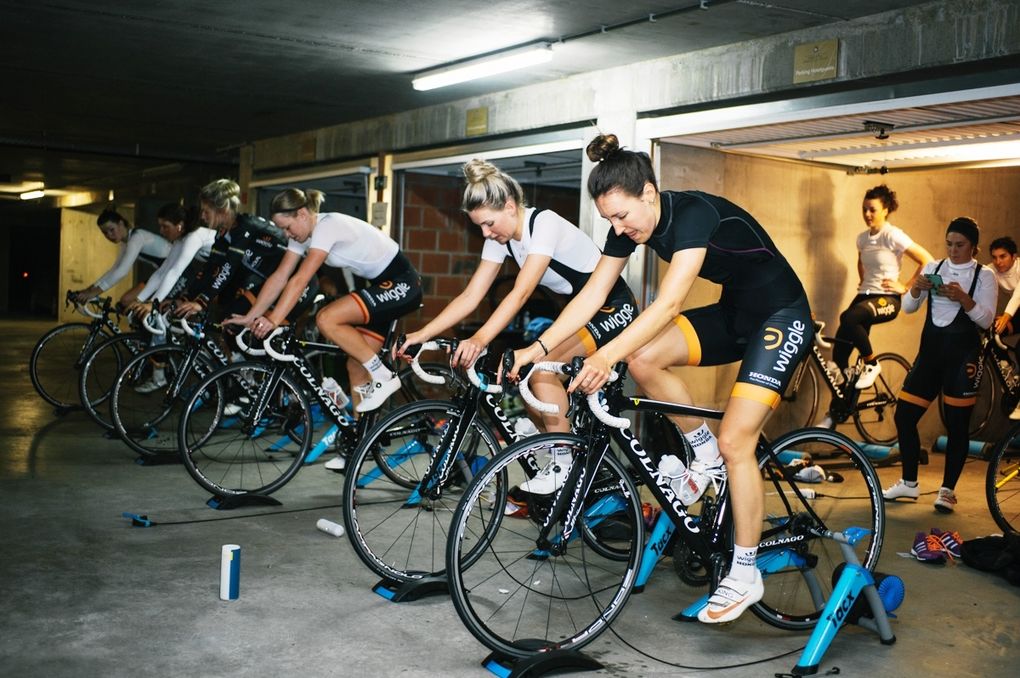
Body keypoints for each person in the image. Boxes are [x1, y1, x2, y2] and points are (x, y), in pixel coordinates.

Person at [507, 133, 814, 624]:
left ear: (648, 193)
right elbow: (591, 297)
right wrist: (537, 349)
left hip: (781, 314)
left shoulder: (692, 213)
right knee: (644, 359)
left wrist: (605, 355)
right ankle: (704, 455)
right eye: (609, 220)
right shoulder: (627, 228)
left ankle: (745, 571)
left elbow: (669, 303)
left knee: (737, 439)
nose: (617, 228)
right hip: (735, 315)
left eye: (622, 216)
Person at [397, 159, 638, 494]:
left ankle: (564, 463)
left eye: (488, 223)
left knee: (541, 371)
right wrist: (422, 335)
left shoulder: (544, 224)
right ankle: (565, 449)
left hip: (613, 307)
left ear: (510, 207)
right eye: (480, 226)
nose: (485, 233)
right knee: (524, 377)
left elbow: (521, 291)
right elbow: (471, 295)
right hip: (581, 313)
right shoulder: (500, 239)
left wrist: (480, 339)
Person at [226, 187, 421, 425]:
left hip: (403, 282)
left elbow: (300, 279)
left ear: (302, 214)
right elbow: (280, 276)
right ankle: (362, 438)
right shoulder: (303, 235)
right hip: (382, 285)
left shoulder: (327, 227)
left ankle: (384, 376)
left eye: (287, 227)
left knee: (327, 318)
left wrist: (274, 320)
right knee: (356, 366)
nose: (286, 234)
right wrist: (251, 316)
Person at [884, 217, 997, 513]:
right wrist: (916, 289)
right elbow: (908, 308)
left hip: (963, 359)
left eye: (960, 245)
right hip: (930, 355)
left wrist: (963, 299)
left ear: (973, 247)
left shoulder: (984, 276)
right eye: (949, 244)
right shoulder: (934, 267)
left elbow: (987, 320)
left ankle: (947, 491)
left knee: (957, 426)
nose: (953, 250)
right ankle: (909, 482)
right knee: (904, 416)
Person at [830, 185, 932, 393]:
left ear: (885, 210)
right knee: (838, 356)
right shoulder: (862, 238)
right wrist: (863, 280)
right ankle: (842, 403)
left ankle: (872, 363)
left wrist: (905, 287)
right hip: (865, 296)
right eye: (864, 209)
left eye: (872, 210)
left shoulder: (892, 235)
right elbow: (861, 261)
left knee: (848, 317)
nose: (867, 214)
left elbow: (927, 260)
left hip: (887, 299)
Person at [174, 179, 317, 326]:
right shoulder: (222, 235)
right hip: (273, 283)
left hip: (299, 283)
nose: (202, 216)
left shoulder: (245, 227)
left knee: (262, 331)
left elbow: (229, 267)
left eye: (206, 211)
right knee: (230, 320)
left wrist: (202, 301)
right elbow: (210, 268)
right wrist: (186, 298)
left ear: (222, 210)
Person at [126, 203, 217, 393]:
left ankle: (229, 374)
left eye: (165, 226)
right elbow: (162, 272)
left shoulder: (194, 236)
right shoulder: (181, 239)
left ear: (180, 226)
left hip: (228, 276)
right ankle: (164, 375)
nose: (161, 231)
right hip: (212, 275)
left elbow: (175, 271)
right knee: (164, 314)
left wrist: (153, 303)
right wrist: (141, 300)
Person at [71, 208, 172, 307]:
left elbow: (122, 271)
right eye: (105, 233)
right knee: (126, 301)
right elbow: (114, 269)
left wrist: (94, 293)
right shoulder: (125, 243)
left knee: (128, 301)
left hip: (173, 273)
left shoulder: (137, 237)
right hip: (163, 272)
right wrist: (89, 290)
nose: (109, 235)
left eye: (112, 230)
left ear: (121, 223)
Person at [989, 236, 1020, 421]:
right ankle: (1010, 374)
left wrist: (1007, 316)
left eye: (1003, 256)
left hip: (1016, 306)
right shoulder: (992, 270)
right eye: (994, 257)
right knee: (994, 331)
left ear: (1014, 257)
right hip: (1019, 312)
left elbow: (1017, 296)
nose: (998, 262)